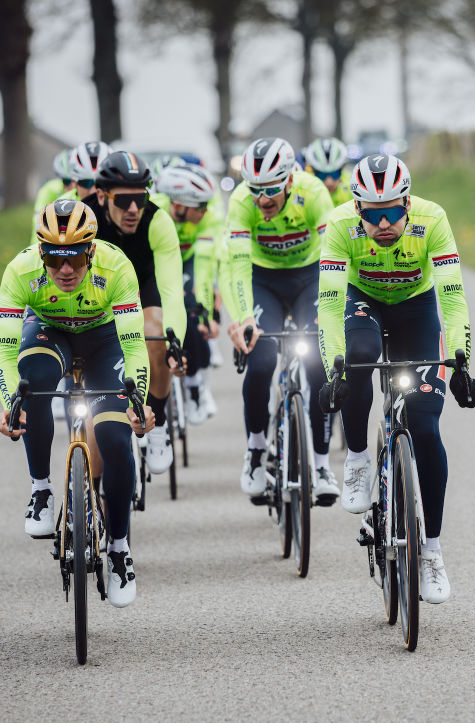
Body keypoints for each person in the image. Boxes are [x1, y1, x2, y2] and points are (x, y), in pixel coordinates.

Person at [316, 154, 475, 604]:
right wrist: (333, 368)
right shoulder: (339, 226)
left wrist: (462, 362)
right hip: (362, 303)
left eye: (392, 211)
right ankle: (357, 459)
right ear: (357, 209)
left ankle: (432, 552)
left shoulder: (432, 219)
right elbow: (329, 304)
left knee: (426, 427)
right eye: (373, 215)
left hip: (416, 308)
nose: (384, 223)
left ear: (408, 203)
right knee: (358, 357)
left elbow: (452, 297)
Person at [0, 198, 155, 607]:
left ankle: (118, 547)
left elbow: (134, 346)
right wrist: (10, 403)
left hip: (104, 342)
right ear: (41, 253)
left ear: (92, 251)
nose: (65, 270)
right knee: (31, 386)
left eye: (76, 259)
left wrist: (138, 401)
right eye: (54, 259)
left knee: (115, 437)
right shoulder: (20, 270)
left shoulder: (116, 267)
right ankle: (41, 490)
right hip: (48, 334)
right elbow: (4, 352)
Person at [225, 136, 339, 505]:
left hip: (310, 276)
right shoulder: (241, 201)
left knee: (320, 361)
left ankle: (321, 464)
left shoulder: (314, 192)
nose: (262, 199)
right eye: (255, 189)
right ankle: (256, 449)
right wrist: (244, 316)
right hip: (263, 280)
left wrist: (330, 309)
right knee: (261, 361)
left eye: (271, 189)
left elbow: (333, 256)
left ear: (290, 179)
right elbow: (237, 265)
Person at [83, 151, 186, 473]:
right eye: (124, 200)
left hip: (144, 283)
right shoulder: (83, 218)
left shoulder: (157, 220)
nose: (133, 210)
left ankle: (157, 424)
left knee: (156, 331)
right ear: (102, 196)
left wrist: (176, 343)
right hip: (96, 292)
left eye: (140, 199)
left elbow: (172, 292)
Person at [152, 162, 224, 424]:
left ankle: (194, 388)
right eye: (200, 205)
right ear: (179, 204)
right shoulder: (155, 210)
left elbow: (204, 268)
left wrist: (207, 312)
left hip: (189, 262)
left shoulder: (209, 218)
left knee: (192, 317)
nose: (205, 211)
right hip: (155, 262)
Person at [303, 137, 351, 206]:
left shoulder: (352, 185)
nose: (329, 183)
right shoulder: (304, 188)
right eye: (322, 175)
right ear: (312, 171)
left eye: (335, 174)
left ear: (342, 169)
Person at [33, 148, 75, 215]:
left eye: (76, 181)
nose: (72, 185)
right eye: (67, 181)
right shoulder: (49, 190)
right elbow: (38, 218)